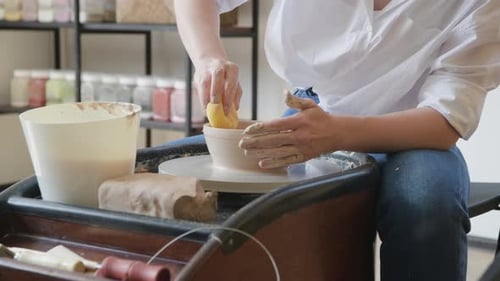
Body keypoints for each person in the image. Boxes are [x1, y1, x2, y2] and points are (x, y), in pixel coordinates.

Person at [173, 0, 500, 280]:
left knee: (426, 205)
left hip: (412, 131)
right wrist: (207, 58)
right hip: (313, 111)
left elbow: (445, 120)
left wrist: (337, 134)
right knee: (220, 192)